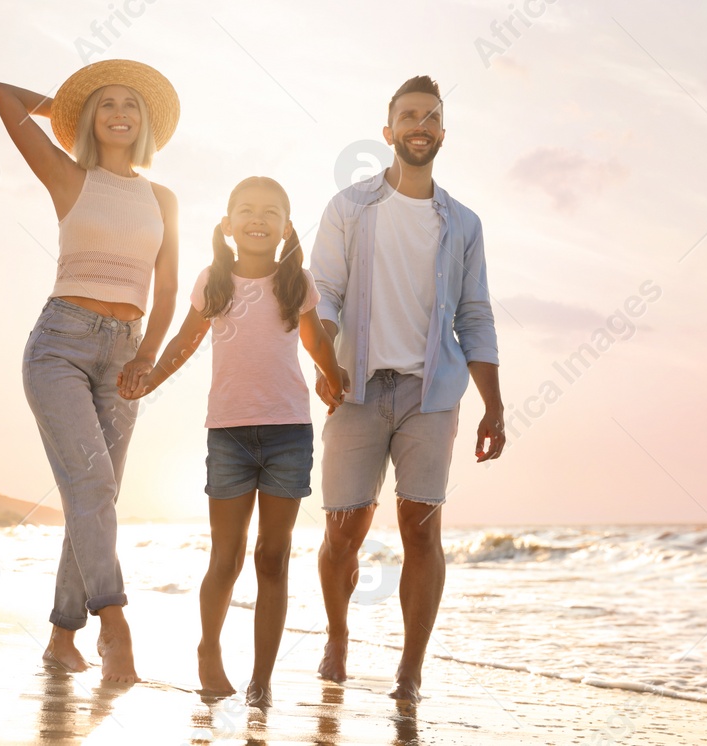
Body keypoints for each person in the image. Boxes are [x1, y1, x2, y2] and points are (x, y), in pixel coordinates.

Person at [309, 75, 505, 702]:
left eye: (431, 116)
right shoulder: (349, 207)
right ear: (388, 129)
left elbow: (474, 315)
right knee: (343, 530)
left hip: (431, 393)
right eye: (409, 115)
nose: (420, 125)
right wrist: (324, 362)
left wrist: (494, 405)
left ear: (442, 133)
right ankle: (338, 635)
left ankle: (409, 670)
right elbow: (324, 295)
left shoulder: (463, 224)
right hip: (355, 389)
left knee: (422, 529)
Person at [0, 59, 181, 683]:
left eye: (131, 104)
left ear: (145, 120)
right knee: (93, 486)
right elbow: (3, 92)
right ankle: (115, 625)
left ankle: (60, 640)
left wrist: (148, 356)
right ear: (91, 121)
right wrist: (66, 109)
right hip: (60, 347)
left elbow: (169, 285)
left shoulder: (163, 198)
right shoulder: (66, 175)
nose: (120, 113)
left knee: (94, 495)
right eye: (107, 105)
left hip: (127, 352)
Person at [123, 177, 347, 706]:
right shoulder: (213, 281)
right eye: (246, 209)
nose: (258, 218)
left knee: (274, 556)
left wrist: (336, 382)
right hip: (227, 434)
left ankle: (262, 681)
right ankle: (209, 649)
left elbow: (316, 339)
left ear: (287, 227)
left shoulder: (297, 282)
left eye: (271, 211)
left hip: (289, 433)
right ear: (226, 225)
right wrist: (148, 380)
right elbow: (185, 339)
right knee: (226, 556)